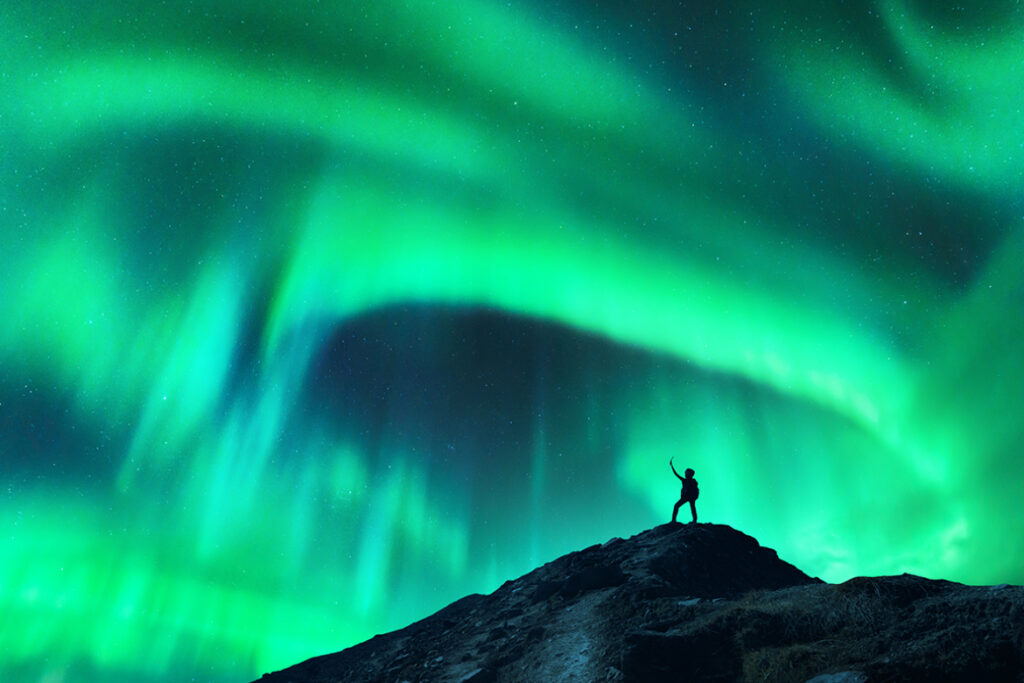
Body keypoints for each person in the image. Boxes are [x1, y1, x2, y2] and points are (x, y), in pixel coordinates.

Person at [670, 458, 698, 523]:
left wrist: (672, 466)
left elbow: (676, 474)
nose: (685, 474)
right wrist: (672, 466)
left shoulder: (689, 481)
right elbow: (676, 474)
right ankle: (674, 520)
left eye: (686, 473)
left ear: (689, 474)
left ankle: (674, 520)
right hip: (688, 497)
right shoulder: (687, 481)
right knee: (692, 508)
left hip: (689, 497)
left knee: (690, 508)